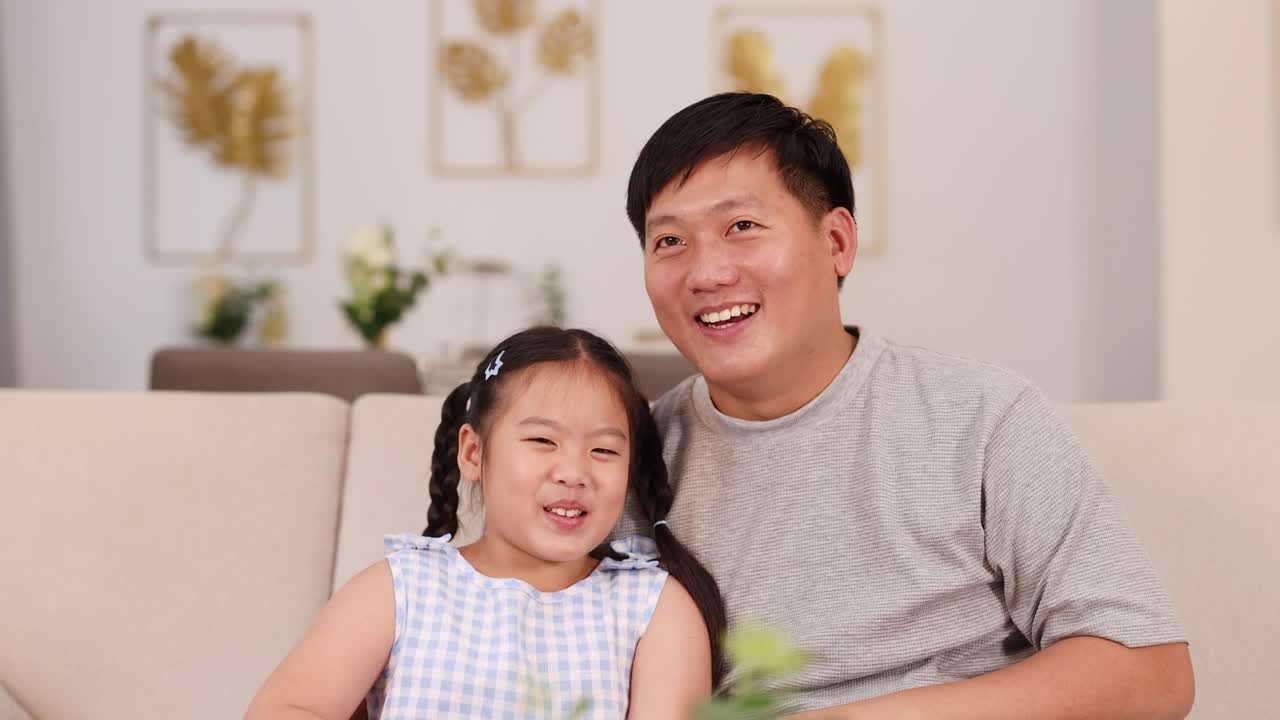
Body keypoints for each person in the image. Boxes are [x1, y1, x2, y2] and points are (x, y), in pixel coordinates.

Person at [617, 92, 1195, 718]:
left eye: (742, 227)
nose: (705, 272)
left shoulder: (983, 416)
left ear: (836, 241)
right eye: (669, 241)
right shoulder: (624, 456)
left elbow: (1150, 670)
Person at [246, 327, 725, 720]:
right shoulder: (402, 589)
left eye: (603, 450)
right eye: (542, 440)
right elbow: (286, 707)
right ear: (474, 452)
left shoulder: (653, 607)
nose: (574, 472)